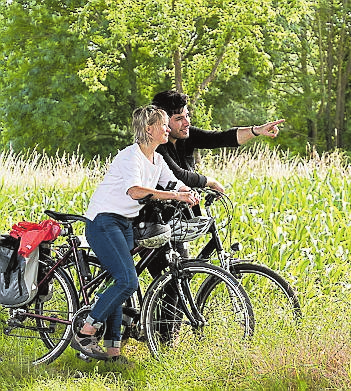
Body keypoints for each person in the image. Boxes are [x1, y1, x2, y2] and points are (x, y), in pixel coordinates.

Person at [70, 105, 199, 362]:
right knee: (127, 281)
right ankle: (85, 332)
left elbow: (172, 182)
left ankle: (113, 351)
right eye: (163, 124)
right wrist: (175, 195)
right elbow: (135, 191)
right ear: (149, 129)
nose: (167, 128)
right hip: (104, 222)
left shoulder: (157, 158)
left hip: (125, 224)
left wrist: (188, 192)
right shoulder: (131, 156)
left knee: (120, 283)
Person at [151, 90, 285, 193]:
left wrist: (256, 130)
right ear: (162, 121)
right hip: (157, 221)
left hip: (184, 213)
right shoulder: (155, 145)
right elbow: (178, 175)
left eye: (187, 116)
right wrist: (211, 182)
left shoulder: (185, 134)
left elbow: (220, 138)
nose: (187, 123)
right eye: (179, 119)